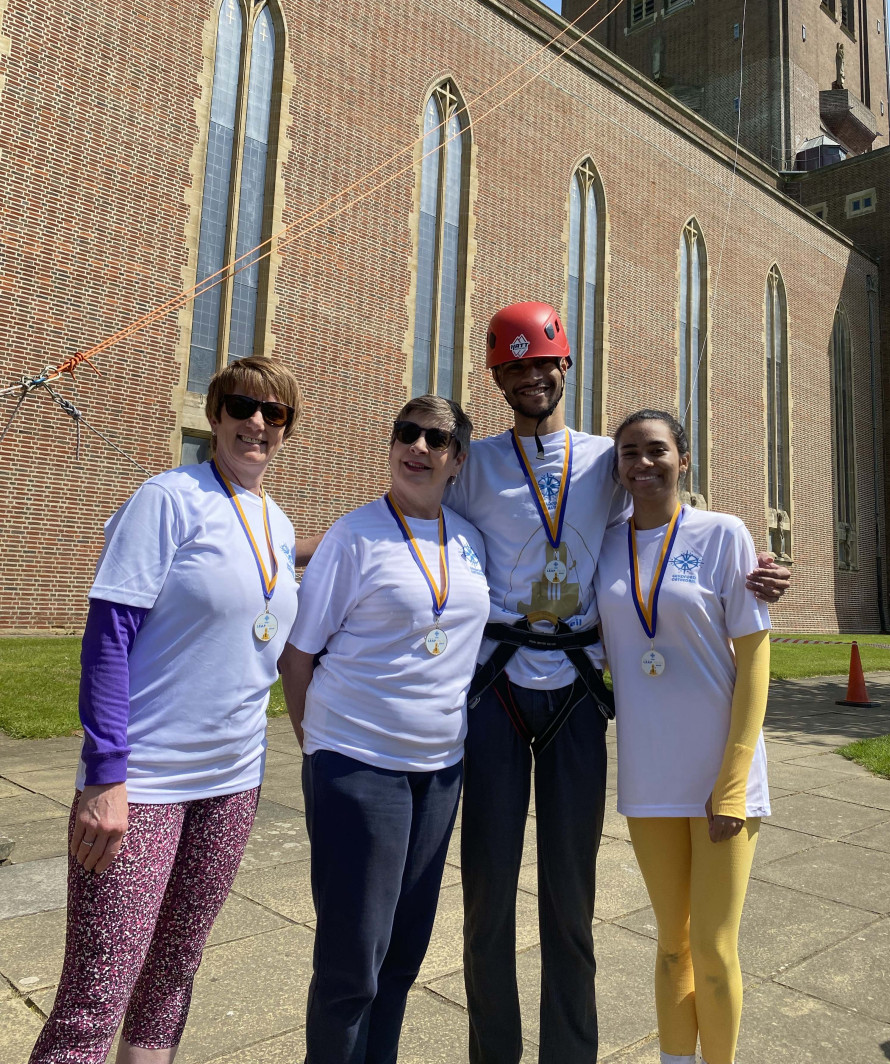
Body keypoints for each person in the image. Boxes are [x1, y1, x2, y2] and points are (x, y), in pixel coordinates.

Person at [443, 302, 789, 1064]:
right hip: (497, 687)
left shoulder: (606, 458)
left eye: (545, 362)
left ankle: (571, 1055)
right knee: (488, 894)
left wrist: (758, 572)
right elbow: (410, 522)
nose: (532, 376)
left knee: (572, 898)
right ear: (498, 377)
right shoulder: (475, 468)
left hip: (574, 692)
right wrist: (297, 549)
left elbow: (671, 519)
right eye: (515, 365)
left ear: (565, 368)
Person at [30, 355, 312, 1064]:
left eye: (273, 413)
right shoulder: (167, 498)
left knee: (170, 985)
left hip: (233, 784)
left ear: (286, 430)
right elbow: (108, 639)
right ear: (215, 415)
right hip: (144, 785)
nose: (256, 422)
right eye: (242, 407)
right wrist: (104, 777)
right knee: (95, 999)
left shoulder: (274, 522)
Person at [278, 395, 491, 1064]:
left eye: (436, 439)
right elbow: (298, 652)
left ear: (457, 460)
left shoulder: (469, 540)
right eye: (408, 433)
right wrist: (316, 744)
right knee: (351, 964)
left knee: (402, 957)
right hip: (359, 767)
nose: (419, 448)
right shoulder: (354, 535)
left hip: (439, 772)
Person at [595, 410, 772, 1064]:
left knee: (715, 949)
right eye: (630, 453)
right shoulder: (605, 543)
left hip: (721, 775)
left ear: (684, 460)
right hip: (649, 775)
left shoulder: (723, 535)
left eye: (657, 451)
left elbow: (755, 659)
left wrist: (733, 779)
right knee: (672, 943)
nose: (644, 464)